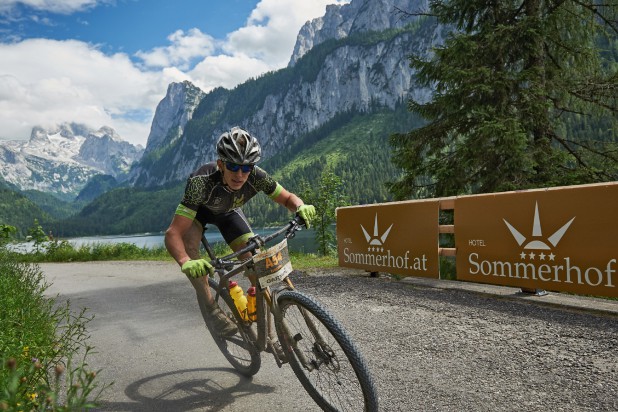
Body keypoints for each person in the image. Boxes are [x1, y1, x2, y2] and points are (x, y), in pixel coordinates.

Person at [165, 126, 316, 336]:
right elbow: (172, 233)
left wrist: (300, 206)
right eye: (233, 166)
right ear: (221, 164)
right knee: (191, 251)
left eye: (246, 168)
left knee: (257, 267)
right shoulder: (201, 182)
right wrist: (185, 262)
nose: (239, 174)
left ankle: (271, 335)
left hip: (228, 214)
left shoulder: (257, 176)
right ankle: (211, 309)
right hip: (197, 215)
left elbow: (288, 198)